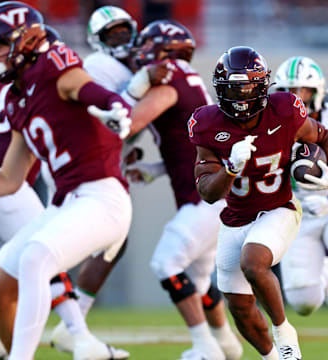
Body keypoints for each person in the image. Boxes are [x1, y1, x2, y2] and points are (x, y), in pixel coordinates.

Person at [0, 2, 132, 360]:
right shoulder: (16, 97)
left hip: (102, 196)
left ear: (25, 40)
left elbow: (80, 85)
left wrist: (112, 103)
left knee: (35, 259)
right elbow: (9, 178)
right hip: (65, 204)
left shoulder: (52, 64)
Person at [189, 45, 328, 360]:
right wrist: (231, 169)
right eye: (233, 89)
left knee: (253, 262)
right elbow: (208, 193)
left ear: (263, 86)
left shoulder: (285, 110)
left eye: (248, 87)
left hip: (280, 208)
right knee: (238, 304)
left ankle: (284, 335)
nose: (241, 97)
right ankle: (272, 358)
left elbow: (322, 137)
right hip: (236, 217)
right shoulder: (207, 123)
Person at [49, 5, 173, 353]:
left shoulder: (120, 65)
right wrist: (138, 89)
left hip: (98, 159)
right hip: (81, 162)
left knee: (112, 243)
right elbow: (104, 117)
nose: (120, 38)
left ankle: (71, 325)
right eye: (111, 34)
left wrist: (125, 151)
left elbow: (122, 125)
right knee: (57, 247)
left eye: (123, 31)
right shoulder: (100, 67)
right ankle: (56, 323)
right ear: (97, 41)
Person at [121, 20, 242, 360]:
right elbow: (187, 150)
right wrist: (155, 169)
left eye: (148, 47)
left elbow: (127, 124)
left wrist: (126, 97)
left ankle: (205, 346)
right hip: (213, 194)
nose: (142, 54)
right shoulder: (189, 80)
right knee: (199, 283)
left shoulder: (170, 81)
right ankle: (227, 346)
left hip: (206, 198)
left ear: (165, 52)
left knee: (165, 263)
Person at [274, 56, 328, 315]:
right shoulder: (271, 122)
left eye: (303, 90)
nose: (296, 97)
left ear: (317, 91)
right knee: (304, 302)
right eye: (289, 91)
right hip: (297, 213)